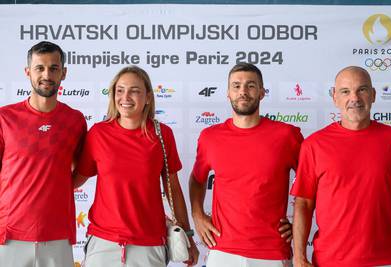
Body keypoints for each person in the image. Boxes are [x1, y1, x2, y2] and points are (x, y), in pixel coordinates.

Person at [73, 65, 199, 267]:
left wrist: (189, 236)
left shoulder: (162, 134)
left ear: (148, 97)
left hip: (148, 245)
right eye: (120, 90)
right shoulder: (98, 134)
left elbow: (173, 189)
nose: (126, 97)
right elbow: (76, 179)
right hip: (103, 244)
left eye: (135, 90)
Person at [291, 66, 391, 267]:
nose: (354, 98)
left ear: (373, 95)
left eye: (362, 89)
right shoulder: (314, 145)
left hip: (384, 261)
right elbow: (303, 203)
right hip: (328, 262)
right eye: (345, 91)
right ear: (335, 98)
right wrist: (299, 257)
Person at [189, 63, 303, 267]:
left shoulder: (287, 136)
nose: (243, 91)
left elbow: (312, 183)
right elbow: (197, 179)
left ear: (261, 92)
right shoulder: (210, 137)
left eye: (250, 85)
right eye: (236, 86)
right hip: (223, 249)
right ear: (228, 93)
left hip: (272, 251)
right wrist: (197, 214)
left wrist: (298, 225)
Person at [0, 41, 87, 267]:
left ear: (64, 73)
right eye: (39, 68)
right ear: (28, 72)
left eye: (54, 68)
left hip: (57, 234)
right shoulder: (5, 118)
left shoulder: (75, 120)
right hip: (9, 235)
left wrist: (58, 187)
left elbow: (82, 170)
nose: (46, 74)